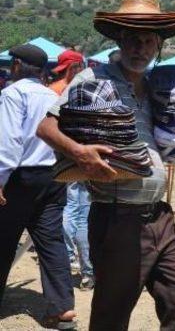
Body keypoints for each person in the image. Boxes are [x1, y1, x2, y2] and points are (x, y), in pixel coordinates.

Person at [37, 0, 175, 331]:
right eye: (132, 38)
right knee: (111, 318)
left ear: (159, 44)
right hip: (117, 219)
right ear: (119, 40)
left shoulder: (163, 87)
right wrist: (80, 152)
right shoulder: (93, 79)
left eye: (147, 41)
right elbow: (46, 128)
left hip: (160, 217)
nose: (139, 47)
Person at [0, 44, 76, 329]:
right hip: (53, 177)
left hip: (21, 177)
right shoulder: (52, 96)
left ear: (17, 66)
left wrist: (0, 180)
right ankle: (62, 308)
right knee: (51, 241)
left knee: (4, 239)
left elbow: (8, 143)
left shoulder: (12, 94)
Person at [49, 49, 95, 290]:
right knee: (83, 217)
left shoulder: (53, 91)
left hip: (63, 159)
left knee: (69, 212)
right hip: (84, 157)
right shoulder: (88, 89)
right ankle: (88, 272)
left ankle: (66, 262)